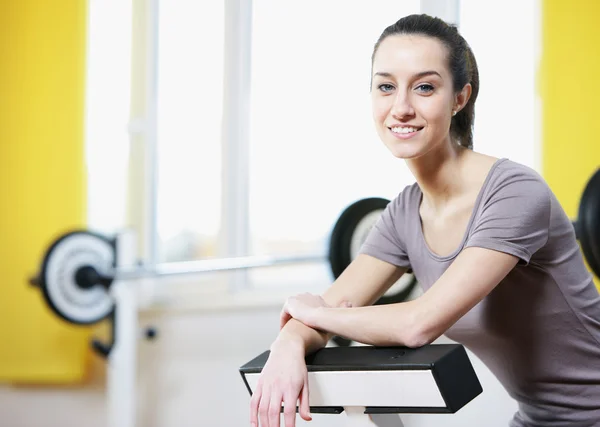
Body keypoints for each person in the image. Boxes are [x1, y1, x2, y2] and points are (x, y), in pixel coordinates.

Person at [249, 13, 600, 427]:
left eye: (425, 87)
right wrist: (289, 340)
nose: (401, 107)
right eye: (385, 86)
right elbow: (333, 304)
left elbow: (418, 324)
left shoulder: (514, 192)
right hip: (539, 418)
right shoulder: (403, 215)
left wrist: (313, 315)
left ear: (459, 98)